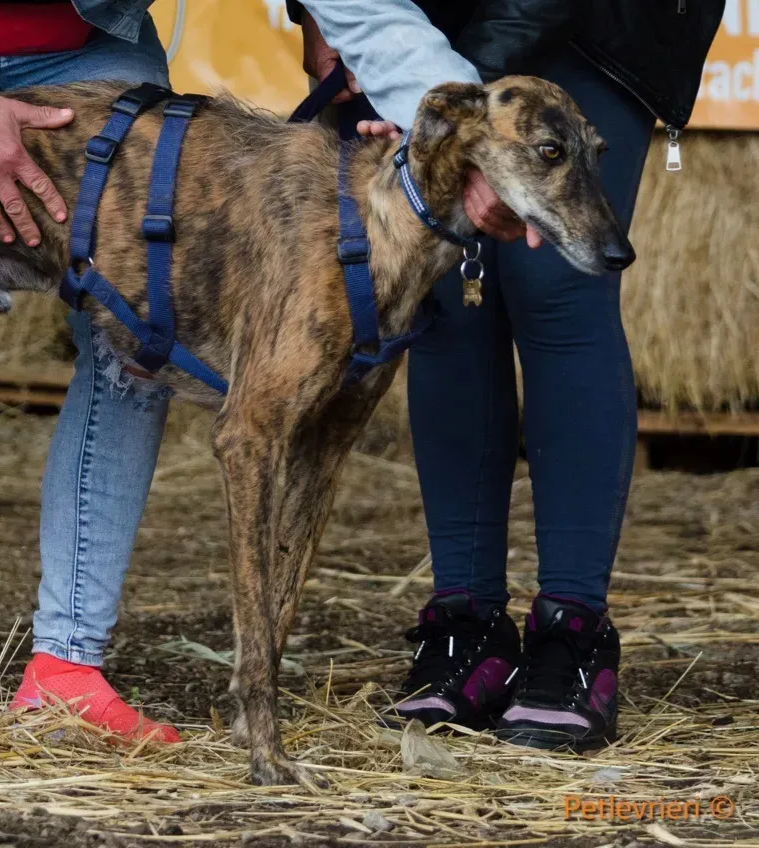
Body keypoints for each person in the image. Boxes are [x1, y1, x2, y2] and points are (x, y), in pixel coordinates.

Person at [0, 0, 526, 766]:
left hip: (88, 49)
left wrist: (470, 139)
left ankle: (66, 665)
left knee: (142, 344)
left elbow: (362, 8)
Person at [303, 0, 723, 751]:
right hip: (420, 23)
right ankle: (465, 626)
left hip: (594, 24)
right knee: (444, 293)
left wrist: (454, 109)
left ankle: (573, 632)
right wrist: (325, 21)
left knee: (556, 284)